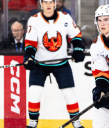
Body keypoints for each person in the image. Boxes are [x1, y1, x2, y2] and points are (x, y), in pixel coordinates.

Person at [23, 0, 85, 128]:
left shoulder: (65, 17)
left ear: (55, 3)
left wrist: (78, 49)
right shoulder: (34, 20)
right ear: (41, 4)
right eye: (45, 2)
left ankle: (76, 122)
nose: (48, 4)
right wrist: (29, 57)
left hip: (61, 64)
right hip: (39, 64)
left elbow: (75, 35)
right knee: (35, 92)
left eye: (51, 1)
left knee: (69, 93)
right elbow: (30, 43)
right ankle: (33, 121)